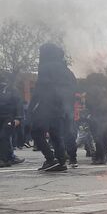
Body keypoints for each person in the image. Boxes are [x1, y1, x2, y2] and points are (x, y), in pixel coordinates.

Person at [30, 43, 74, 172]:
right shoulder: (66, 69)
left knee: (36, 132)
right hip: (61, 107)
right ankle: (60, 161)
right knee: (56, 135)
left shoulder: (45, 67)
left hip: (46, 105)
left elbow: (40, 89)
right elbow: (74, 87)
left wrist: (32, 107)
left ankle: (50, 159)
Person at [0, 70, 23, 167]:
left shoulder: (13, 90)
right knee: (4, 137)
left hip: (9, 118)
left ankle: (4, 159)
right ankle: (11, 157)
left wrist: (18, 118)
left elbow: (18, 105)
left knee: (4, 136)